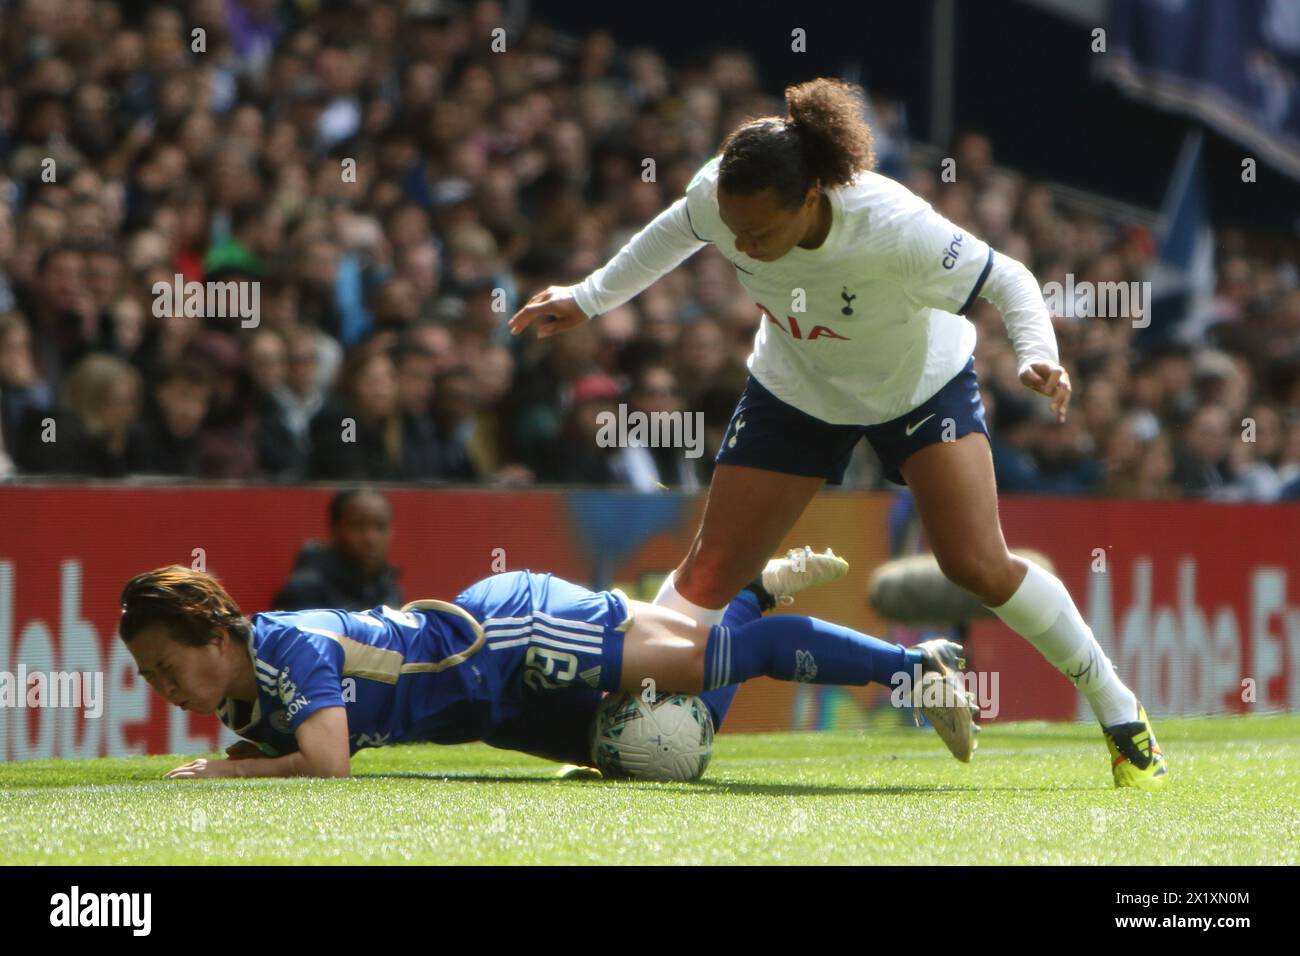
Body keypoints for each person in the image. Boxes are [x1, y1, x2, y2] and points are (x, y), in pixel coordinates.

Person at [508, 77, 1166, 790]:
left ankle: (1123, 718)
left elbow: (1008, 278)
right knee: (708, 570)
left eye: (761, 232)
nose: (746, 247)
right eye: (735, 232)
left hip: (920, 387)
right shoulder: (721, 197)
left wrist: (1040, 353)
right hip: (798, 389)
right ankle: (622, 727)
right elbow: (676, 230)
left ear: (813, 199)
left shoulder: (891, 225)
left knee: (977, 563)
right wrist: (588, 297)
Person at [118, 548, 978, 780]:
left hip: (509, 638)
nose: (163, 687)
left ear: (217, 635)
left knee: (709, 657)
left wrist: (235, 778)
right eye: (150, 678)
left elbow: (329, 763)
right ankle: (755, 590)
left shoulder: (288, 647)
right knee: (664, 755)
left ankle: (916, 663)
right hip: (491, 715)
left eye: (165, 666)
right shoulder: (238, 702)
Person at [273, 488, 404, 612]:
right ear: (334, 530)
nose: (371, 539)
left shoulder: (390, 589)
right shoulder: (304, 590)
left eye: (381, 527)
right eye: (358, 526)